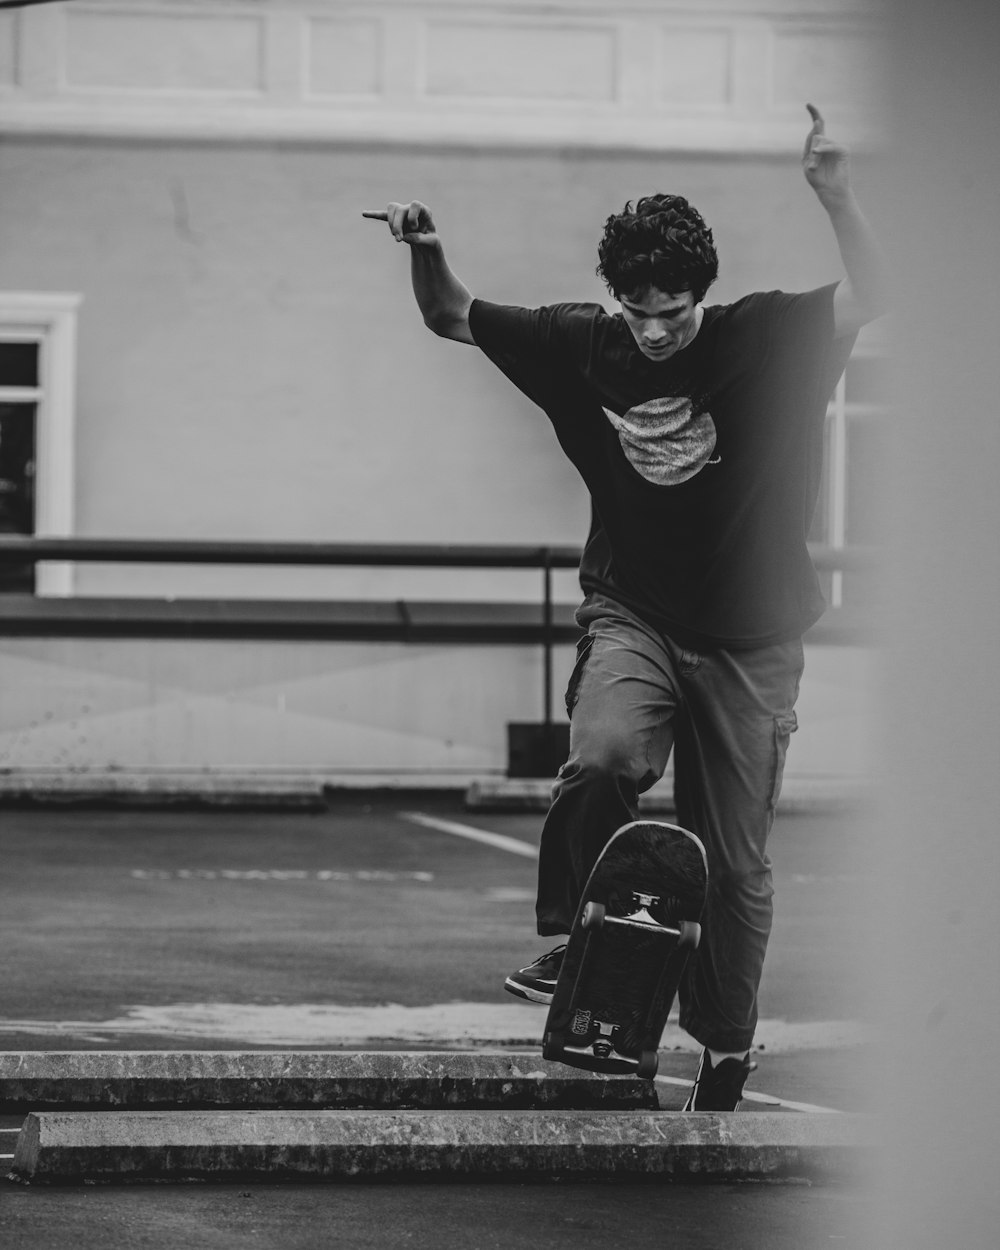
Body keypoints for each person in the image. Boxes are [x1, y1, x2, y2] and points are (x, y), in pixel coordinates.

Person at [364, 105, 885, 1110]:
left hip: (753, 636)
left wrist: (834, 192)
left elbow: (882, 293)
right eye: (638, 313)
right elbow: (450, 314)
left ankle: (725, 1044)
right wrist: (427, 250)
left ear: (703, 293)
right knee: (603, 754)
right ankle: (571, 933)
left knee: (734, 865)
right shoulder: (578, 344)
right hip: (635, 612)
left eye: (674, 312)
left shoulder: (763, 334)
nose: (655, 333)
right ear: (617, 300)